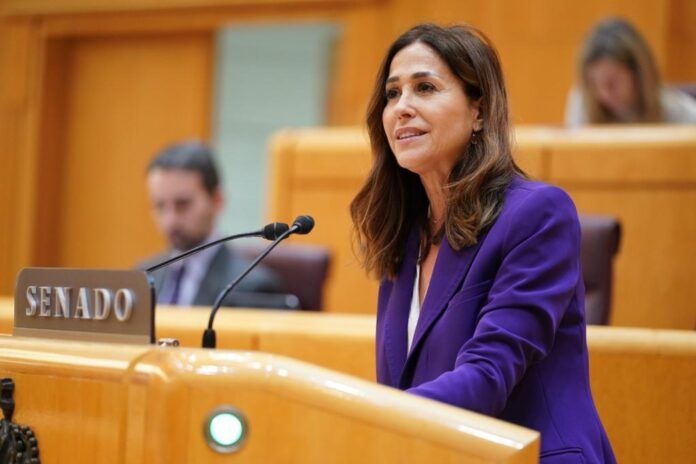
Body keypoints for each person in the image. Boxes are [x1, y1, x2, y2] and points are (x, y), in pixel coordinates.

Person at [350, 24, 615, 463]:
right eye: (393, 93)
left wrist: (364, 412)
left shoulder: (537, 214)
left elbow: (489, 374)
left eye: (425, 87)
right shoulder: (403, 233)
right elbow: (401, 384)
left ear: (479, 111)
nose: (402, 108)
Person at [138, 140, 285, 308]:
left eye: (183, 204)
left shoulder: (251, 286)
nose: (171, 219)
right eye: (160, 206)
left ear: (216, 201)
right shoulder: (141, 276)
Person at [565, 17, 696, 125]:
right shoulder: (582, 103)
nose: (604, 93)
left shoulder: (676, 110)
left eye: (612, 82)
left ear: (639, 74)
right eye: (593, 83)